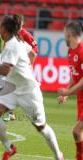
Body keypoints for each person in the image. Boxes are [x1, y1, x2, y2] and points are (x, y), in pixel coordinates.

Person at [0, 15, 64, 160]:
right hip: (12, 88)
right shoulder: (16, 41)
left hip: (28, 91)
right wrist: (25, 67)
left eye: (0, 27)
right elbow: (32, 53)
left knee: (41, 128)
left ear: (4, 29)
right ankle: (10, 147)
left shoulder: (12, 45)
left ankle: (58, 155)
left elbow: (6, 70)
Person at [4, 14, 39, 122]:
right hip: (13, 65)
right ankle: (10, 113)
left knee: (21, 89)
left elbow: (35, 49)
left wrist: (28, 64)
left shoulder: (25, 34)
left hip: (22, 67)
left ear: (22, 23)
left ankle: (35, 111)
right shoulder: (10, 34)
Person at [58, 22, 83, 160]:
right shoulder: (71, 52)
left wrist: (68, 92)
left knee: (77, 131)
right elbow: (75, 76)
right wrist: (66, 93)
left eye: (64, 34)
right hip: (81, 98)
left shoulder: (82, 51)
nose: (64, 37)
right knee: (77, 133)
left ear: (69, 34)